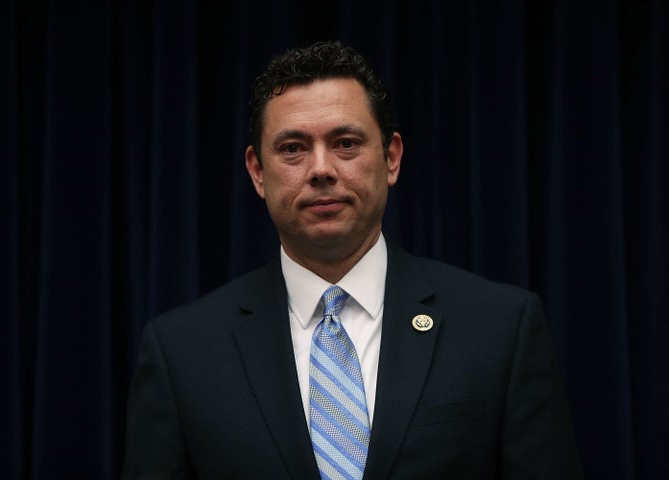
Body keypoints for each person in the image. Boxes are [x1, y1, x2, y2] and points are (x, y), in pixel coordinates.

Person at [122, 41, 584, 479]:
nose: (321, 169)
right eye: (292, 148)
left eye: (345, 143)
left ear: (391, 158)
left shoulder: (500, 328)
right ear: (257, 172)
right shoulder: (181, 352)